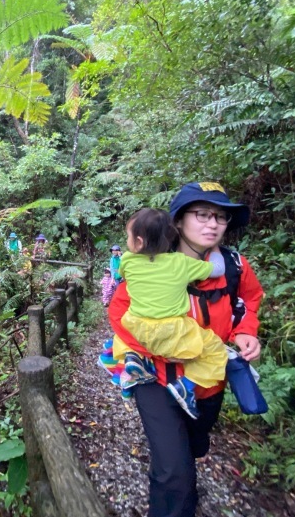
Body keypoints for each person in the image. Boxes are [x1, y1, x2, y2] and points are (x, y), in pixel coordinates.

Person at [108, 182, 263, 517]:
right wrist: (164, 349)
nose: (213, 224)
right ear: (177, 222)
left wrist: (246, 332)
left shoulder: (235, 266)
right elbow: (119, 314)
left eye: (221, 218)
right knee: (175, 472)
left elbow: (249, 300)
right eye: (203, 214)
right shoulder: (148, 264)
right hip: (156, 379)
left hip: (207, 384)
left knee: (191, 449)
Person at [116, 208, 228, 418]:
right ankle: (186, 386)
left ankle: (133, 358)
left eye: (128, 236)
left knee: (123, 325)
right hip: (172, 331)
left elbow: (124, 276)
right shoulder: (180, 262)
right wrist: (215, 250)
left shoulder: (127, 261)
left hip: (137, 326)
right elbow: (218, 269)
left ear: (139, 242)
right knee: (215, 350)